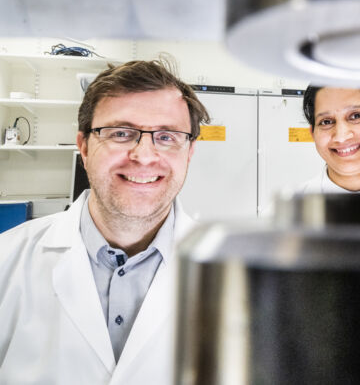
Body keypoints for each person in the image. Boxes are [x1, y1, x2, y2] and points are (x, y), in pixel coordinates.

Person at [0, 60, 209, 384]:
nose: (144, 155)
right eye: (121, 133)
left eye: (166, 136)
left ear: (189, 152)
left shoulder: (239, 273)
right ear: (84, 146)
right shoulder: (7, 260)